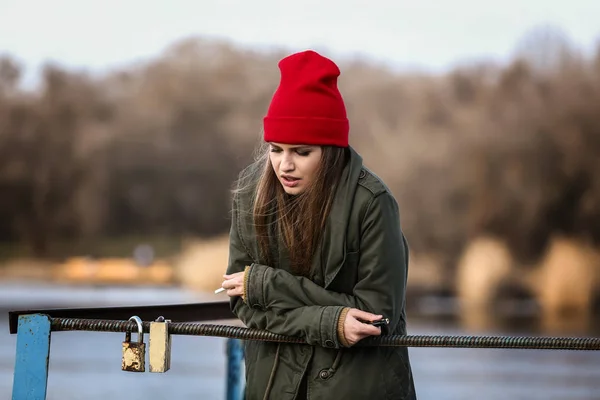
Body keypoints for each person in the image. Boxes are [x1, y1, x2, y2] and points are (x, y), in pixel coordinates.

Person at [221, 50, 416, 400]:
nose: (285, 165)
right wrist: (328, 322)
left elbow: (373, 318)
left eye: (301, 152)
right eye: (276, 149)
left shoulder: (373, 203)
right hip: (271, 386)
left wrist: (268, 285)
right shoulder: (250, 194)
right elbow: (243, 302)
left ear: (330, 151)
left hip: (356, 388)